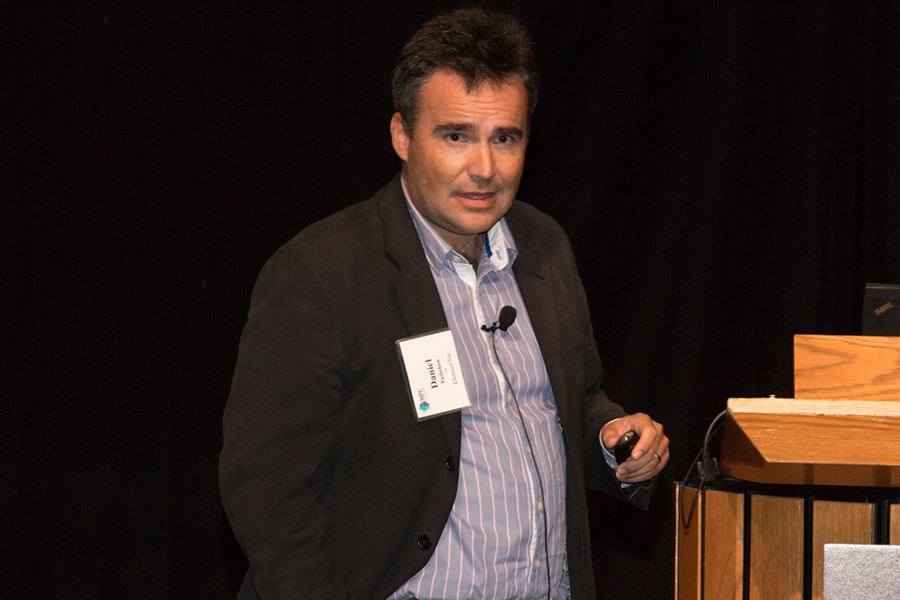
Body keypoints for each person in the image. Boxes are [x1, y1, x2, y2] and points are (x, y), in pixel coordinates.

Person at [220, 7, 669, 600]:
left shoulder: (544, 247)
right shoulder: (321, 275)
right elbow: (266, 489)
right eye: (456, 136)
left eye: (505, 138)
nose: (484, 169)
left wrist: (612, 437)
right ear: (401, 136)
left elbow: (572, 401)